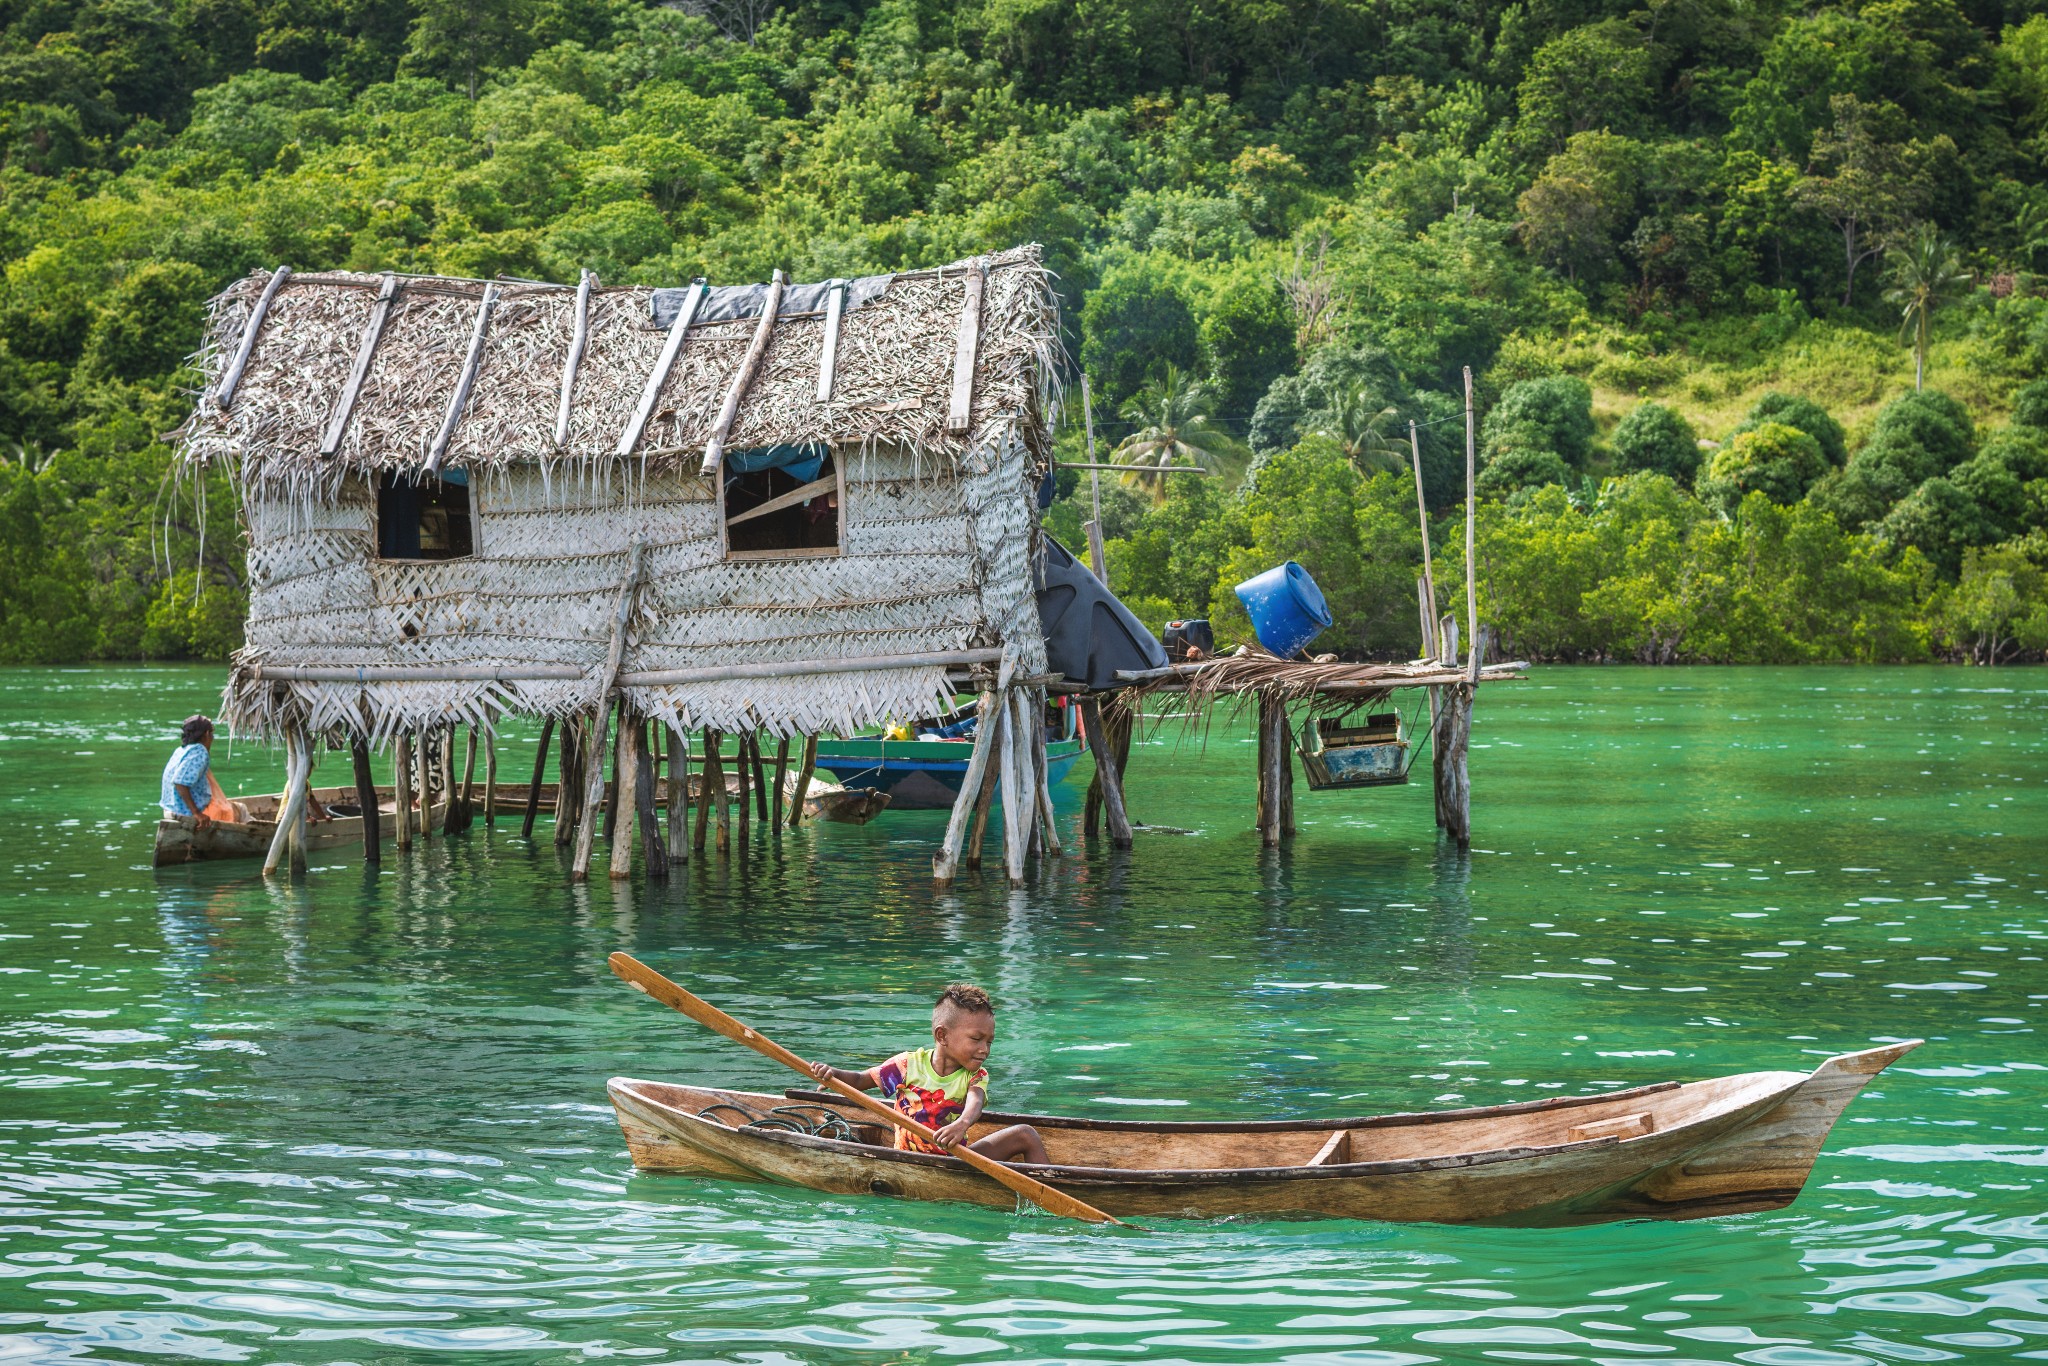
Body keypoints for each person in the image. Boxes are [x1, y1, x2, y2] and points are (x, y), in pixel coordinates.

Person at [807, 983, 1048, 1164]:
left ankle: (1048, 1192)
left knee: (1025, 1134)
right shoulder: (906, 1066)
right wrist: (833, 1075)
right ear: (942, 1036)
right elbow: (861, 1080)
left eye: (989, 1042)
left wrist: (962, 1124)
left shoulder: (975, 1076)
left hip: (957, 1161)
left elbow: (975, 1103)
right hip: (906, 1161)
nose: (984, 1049)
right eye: (976, 1039)